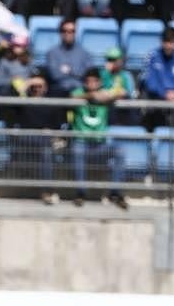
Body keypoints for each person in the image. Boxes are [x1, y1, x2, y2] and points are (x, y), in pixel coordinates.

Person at [68, 68, 128, 209]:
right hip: (81, 142)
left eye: (95, 81)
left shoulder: (105, 92)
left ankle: (115, 193)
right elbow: (72, 98)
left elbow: (123, 92)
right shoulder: (78, 92)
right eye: (88, 81)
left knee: (120, 151)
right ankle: (80, 193)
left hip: (100, 144)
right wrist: (91, 96)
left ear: (100, 82)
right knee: (77, 151)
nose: (92, 84)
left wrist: (109, 96)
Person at [45, 19, 92, 98]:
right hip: (60, 91)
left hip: (80, 91)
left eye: (72, 31)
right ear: (60, 33)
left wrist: (68, 70)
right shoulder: (52, 53)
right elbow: (55, 75)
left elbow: (87, 74)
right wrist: (76, 73)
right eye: (65, 31)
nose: (68, 34)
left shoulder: (84, 53)